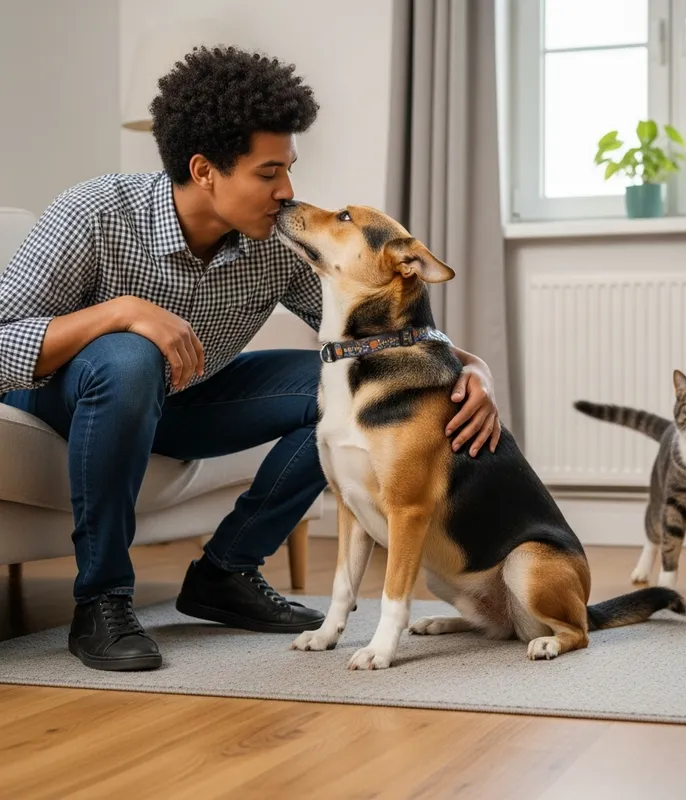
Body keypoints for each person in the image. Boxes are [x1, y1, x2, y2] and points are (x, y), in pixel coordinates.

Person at [0, 46, 501, 672]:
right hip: (67, 397)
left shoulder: (271, 243)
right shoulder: (95, 214)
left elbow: (384, 341)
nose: (288, 192)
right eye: (269, 174)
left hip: (185, 399)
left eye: (288, 169)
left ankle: (225, 572)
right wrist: (120, 312)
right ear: (205, 170)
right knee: (130, 356)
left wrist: (469, 369)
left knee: (338, 390)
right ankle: (102, 598)